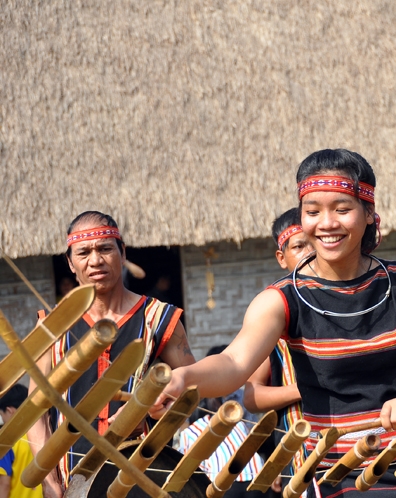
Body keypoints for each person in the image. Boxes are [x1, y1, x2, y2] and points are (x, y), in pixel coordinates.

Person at [155, 149, 396, 497]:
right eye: (313, 211)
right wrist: (185, 377)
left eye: (342, 209)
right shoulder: (281, 299)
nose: (327, 223)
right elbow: (233, 363)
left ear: (369, 214)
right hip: (335, 468)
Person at [28, 211, 197, 497]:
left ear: (123, 253)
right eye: (83, 252)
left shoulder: (159, 318)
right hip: (73, 479)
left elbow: (192, 392)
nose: (95, 260)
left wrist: (155, 404)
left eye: (105, 248)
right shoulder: (51, 325)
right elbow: (35, 409)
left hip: (142, 473)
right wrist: (46, 473)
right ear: (70, 263)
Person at [243, 207, 310, 492]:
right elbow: (252, 395)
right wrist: (304, 390)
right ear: (282, 258)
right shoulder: (275, 315)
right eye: (298, 245)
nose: (309, 252)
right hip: (303, 452)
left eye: (314, 242)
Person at [179, 346, 267, 498]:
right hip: (218, 478)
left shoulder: (241, 405)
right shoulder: (197, 406)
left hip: (248, 475)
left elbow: (254, 437)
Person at [0, 385, 43, 498]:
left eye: (1, 415)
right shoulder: (44, 434)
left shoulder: (7, 441)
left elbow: (3, 484)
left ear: (10, 411)